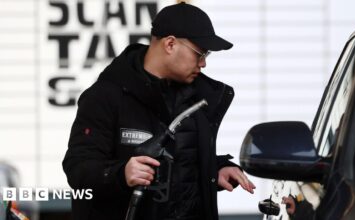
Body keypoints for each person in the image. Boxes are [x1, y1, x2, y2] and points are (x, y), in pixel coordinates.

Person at [62, 2, 255, 220]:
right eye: (200, 53)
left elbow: (179, 163)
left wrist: (213, 169)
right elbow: (78, 168)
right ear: (170, 44)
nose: (203, 64)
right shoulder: (105, 96)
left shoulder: (198, 100)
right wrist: (121, 174)